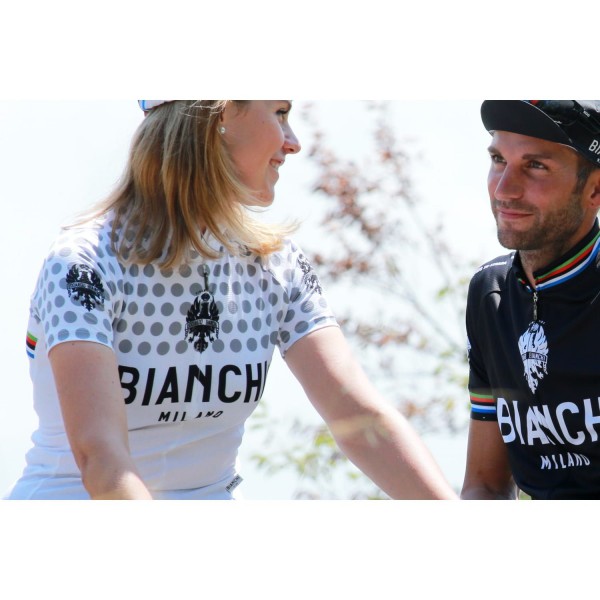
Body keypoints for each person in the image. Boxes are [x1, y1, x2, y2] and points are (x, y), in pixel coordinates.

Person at [6, 100, 456, 500]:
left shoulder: (275, 261)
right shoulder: (82, 262)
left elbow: (357, 417)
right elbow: (101, 459)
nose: (293, 142)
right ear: (219, 118)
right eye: (280, 113)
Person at [461, 100, 600, 500]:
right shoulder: (489, 293)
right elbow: (485, 486)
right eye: (498, 160)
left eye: (535, 165)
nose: (504, 189)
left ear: (595, 189)